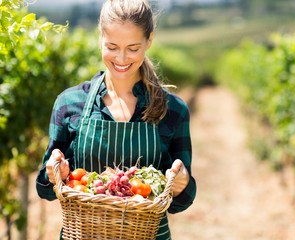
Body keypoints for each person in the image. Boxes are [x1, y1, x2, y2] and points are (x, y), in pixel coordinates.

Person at [35, 0, 197, 239]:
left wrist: (182, 184)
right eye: (112, 46)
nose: (121, 58)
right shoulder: (70, 103)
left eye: (133, 48)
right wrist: (53, 172)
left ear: (149, 41)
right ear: (100, 38)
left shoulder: (173, 109)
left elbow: (180, 202)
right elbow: (44, 189)